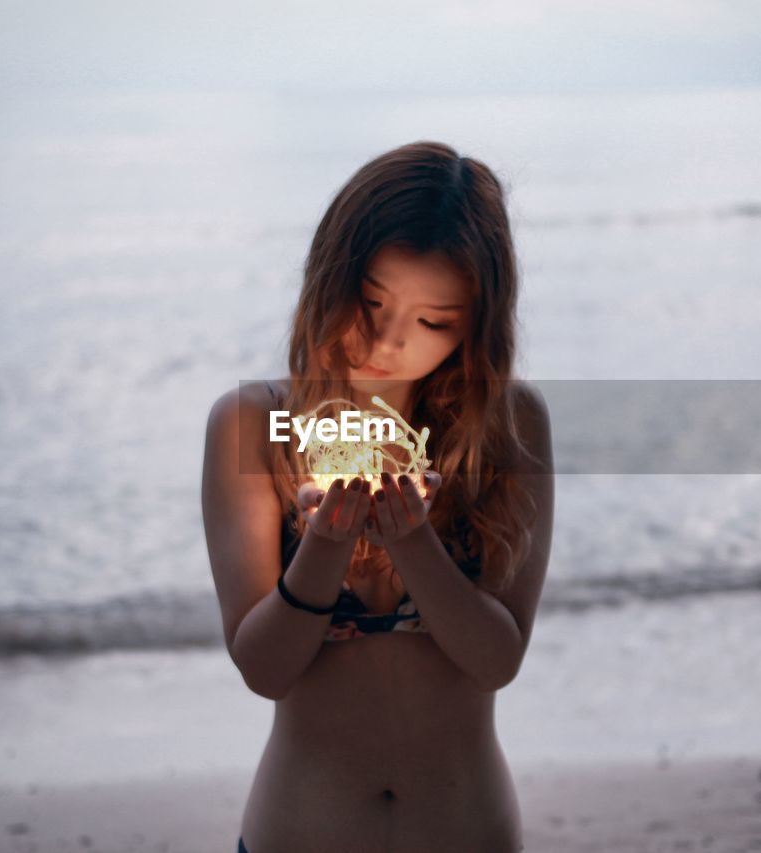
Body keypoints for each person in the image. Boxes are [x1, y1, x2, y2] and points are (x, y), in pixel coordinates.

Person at [202, 140, 554, 852]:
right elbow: (264, 670)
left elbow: (497, 660)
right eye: (371, 302)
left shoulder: (507, 425)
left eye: (433, 323)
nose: (389, 342)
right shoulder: (253, 424)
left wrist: (413, 541)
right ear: (330, 275)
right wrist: (325, 545)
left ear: (476, 326)